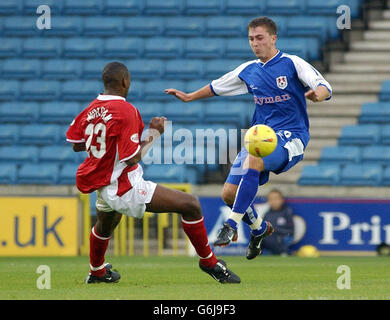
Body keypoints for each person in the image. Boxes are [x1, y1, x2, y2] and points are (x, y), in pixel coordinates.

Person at [165, 16, 332, 260]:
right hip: (259, 136)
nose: (255, 43)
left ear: (273, 39)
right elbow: (217, 86)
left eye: (260, 38)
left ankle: (231, 225)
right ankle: (259, 229)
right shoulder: (249, 70)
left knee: (254, 158)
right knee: (228, 194)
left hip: (291, 136)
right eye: (251, 39)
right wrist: (190, 97)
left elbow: (324, 85)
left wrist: (318, 94)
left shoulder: (292, 63)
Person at [66, 62, 240, 284]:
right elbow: (132, 157)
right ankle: (209, 262)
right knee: (191, 205)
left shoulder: (90, 109)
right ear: (125, 82)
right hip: (123, 185)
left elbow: (76, 144)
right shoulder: (126, 110)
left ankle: (97, 271)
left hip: (103, 184)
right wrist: (154, 133)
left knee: (105, 224)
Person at [261, 189, 294, 255]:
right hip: (269, 238)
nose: (274, 201)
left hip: (281, 237)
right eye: (271, 199)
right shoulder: (267, 214)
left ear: (282, 200)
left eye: (276, 199)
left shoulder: (286, 212)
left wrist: (274, 230)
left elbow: (290, 230)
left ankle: (284, 252)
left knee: (274, 239)